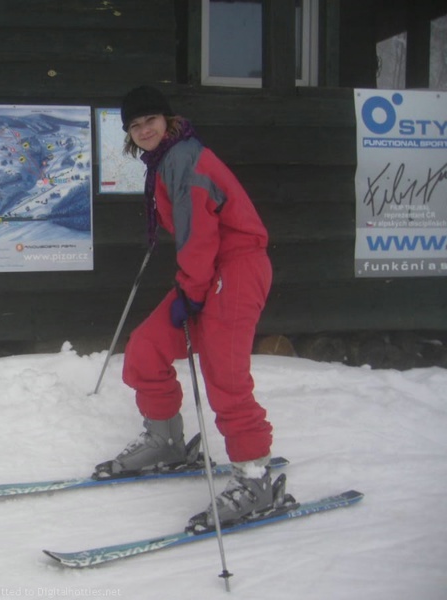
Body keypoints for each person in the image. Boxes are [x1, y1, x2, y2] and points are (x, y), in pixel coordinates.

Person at [93, 85, 278, 528]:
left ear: (168, 120)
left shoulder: (185, 158)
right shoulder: (165, 161)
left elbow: (200, 234)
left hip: (234, 268)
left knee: (225, 374)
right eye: (134, 126)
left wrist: (192, 290)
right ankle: (166, 440)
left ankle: (255, 479)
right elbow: (194, 236)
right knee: (146, 347)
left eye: (149, 120)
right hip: (204, 271)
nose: (143, 129)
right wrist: (191, 285)